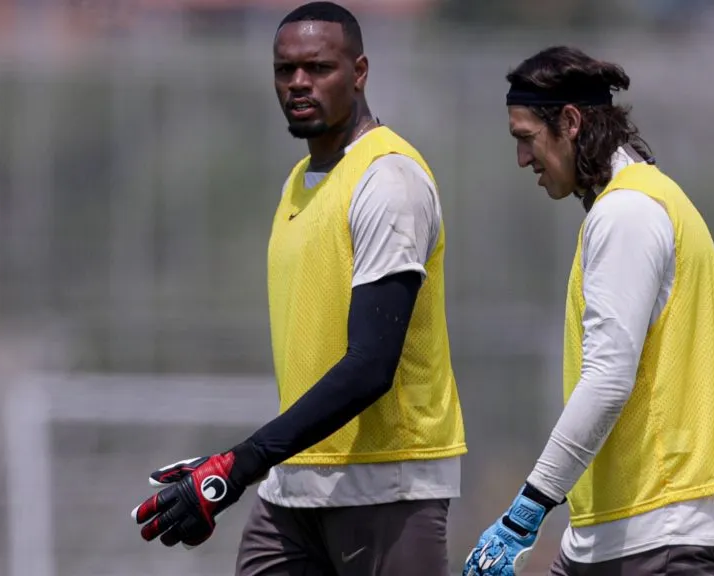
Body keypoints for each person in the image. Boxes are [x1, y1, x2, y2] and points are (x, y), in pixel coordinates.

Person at [130, 3, 467, 575]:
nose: (299, 84)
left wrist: (237, 465)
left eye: (318, 68)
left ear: (359, 71)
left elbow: (370, 366)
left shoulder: (388, 180)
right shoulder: (299, 181)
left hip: (386, 484)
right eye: (285, 71)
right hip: (294, 485)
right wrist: (244, 465)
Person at [463, 46, 714, 576]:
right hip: (617, 533)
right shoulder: (638, 202)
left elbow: (608, 378)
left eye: (526, 138)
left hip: (659, 532)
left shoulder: (627, 213)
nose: (522, 159)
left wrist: (524, 513)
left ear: (570, 122)